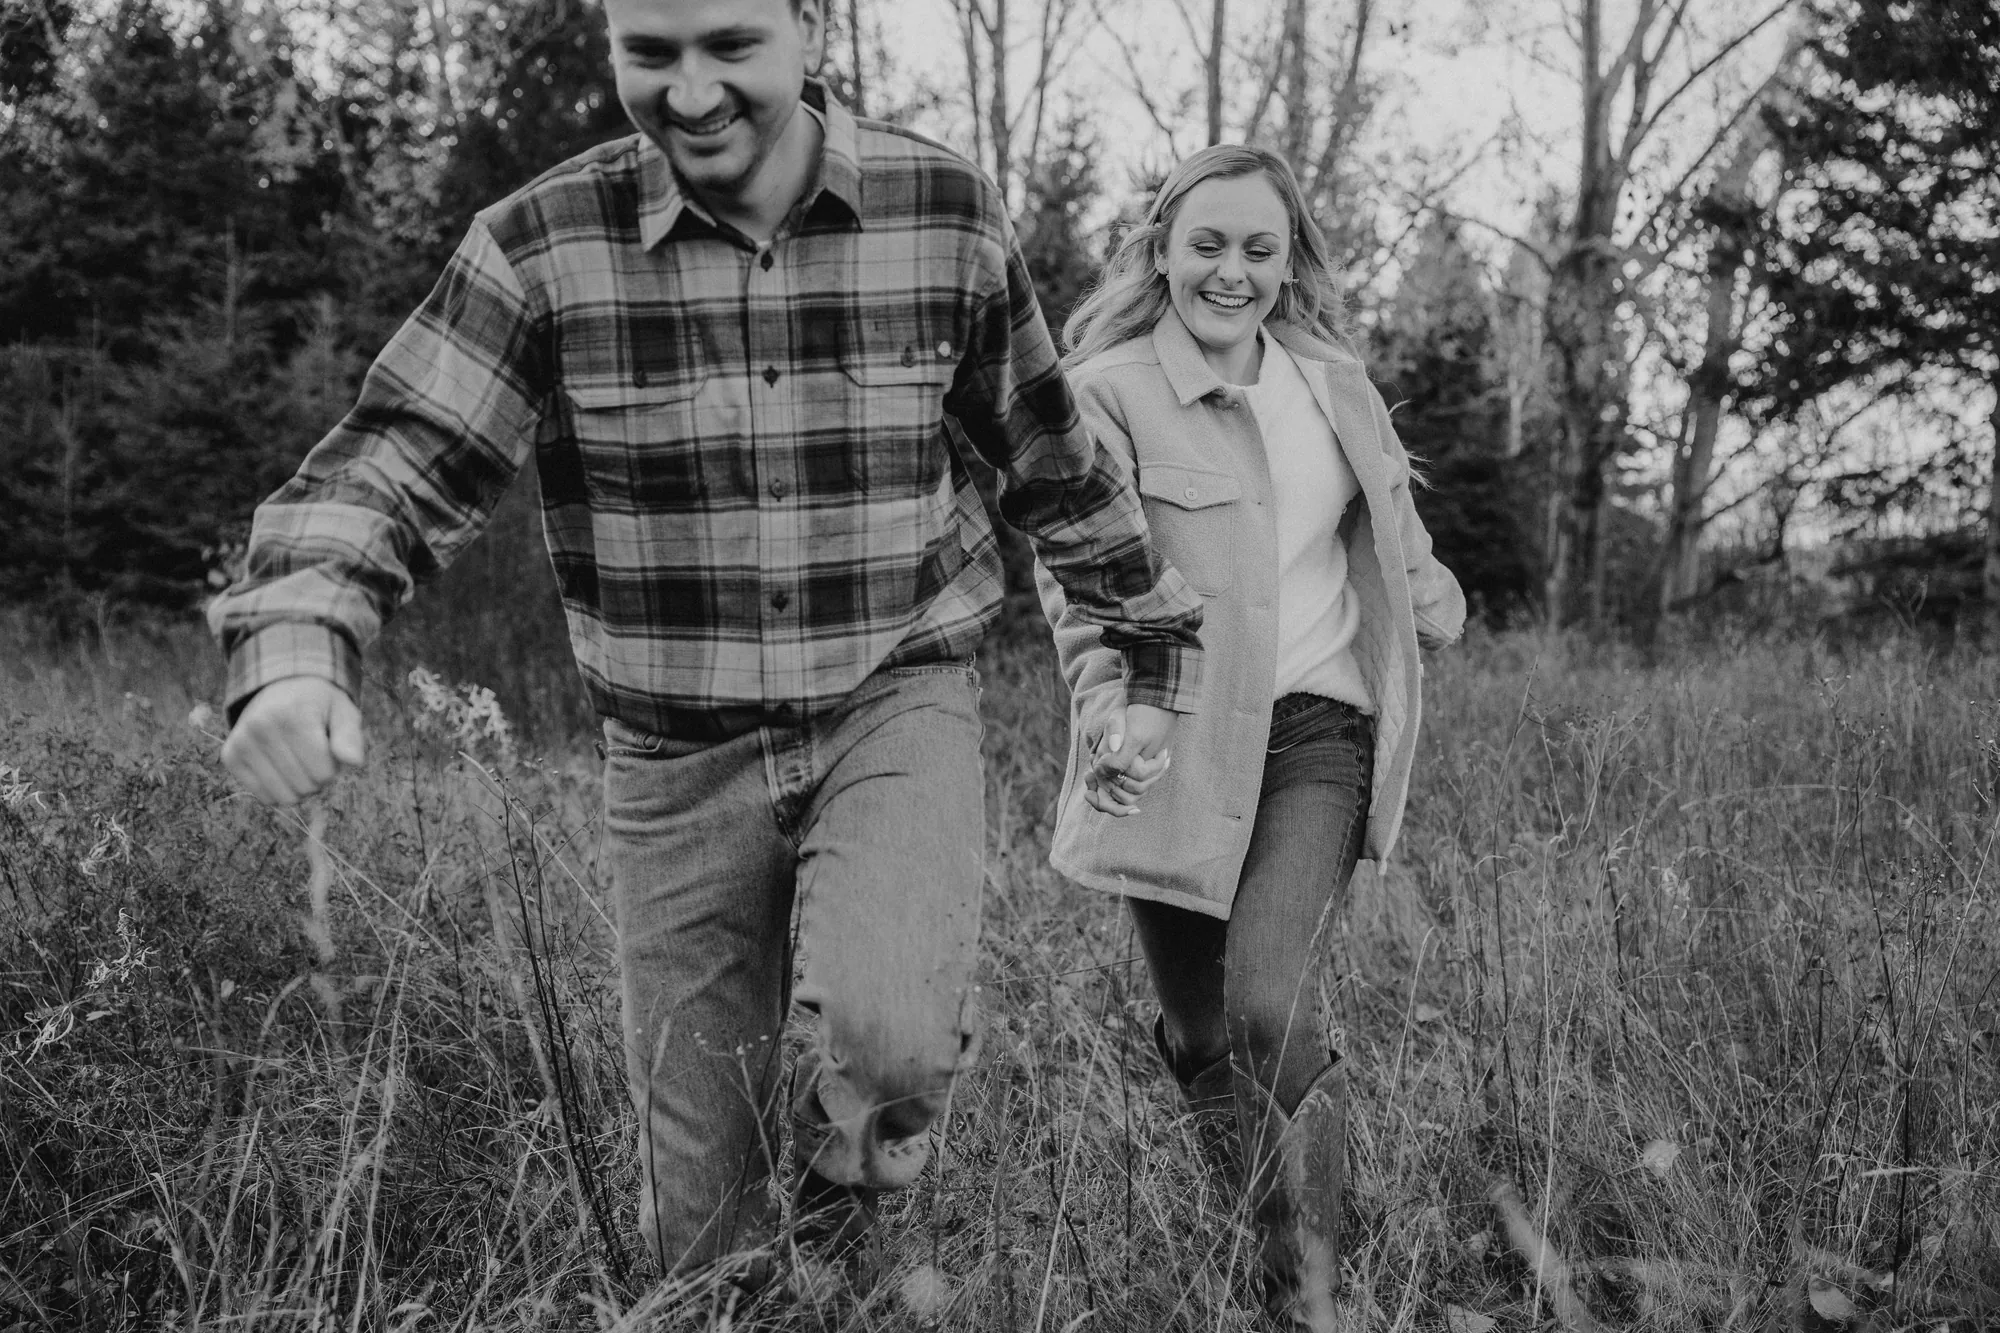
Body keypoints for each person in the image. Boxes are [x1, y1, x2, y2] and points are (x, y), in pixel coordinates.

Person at [207, 0, 1204, 1290]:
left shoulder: (937, 209)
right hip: (673, 757)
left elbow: (1048, 455)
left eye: (729, 46)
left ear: (805, 26)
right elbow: (399, 451)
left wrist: (1149, 651)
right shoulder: (539, 245)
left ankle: (843, 1270)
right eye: (649, 54)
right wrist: (297, 634)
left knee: (890, 1042)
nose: (688, 94)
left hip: (889, 694)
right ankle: (748, 1296)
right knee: (698, 1231)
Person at [1036, 145, 1465, 1331]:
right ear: (1162, 249)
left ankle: (1311, 1287)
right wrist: (1107, 709)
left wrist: (1431, 593)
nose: (1232, 272)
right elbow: (1081, 590)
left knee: (1266, 1008)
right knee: (1201, 1033)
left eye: (1259, 249)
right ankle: (1261, 1251)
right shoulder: (1104, 393)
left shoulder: (1332, 381)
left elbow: (1390, 517)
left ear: (1291, 261)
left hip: (1317, 731)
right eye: (1208, 244)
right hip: (1170, 737)